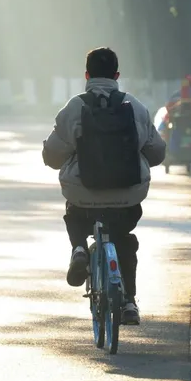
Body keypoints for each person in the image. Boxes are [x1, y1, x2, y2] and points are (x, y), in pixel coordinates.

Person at [42, 47, 167, 325]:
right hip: (127, 197)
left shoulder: (74, 107)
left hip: (83, 195)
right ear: (117, 76)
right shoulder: (135, 107)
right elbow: (157, 152)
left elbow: (53, 155)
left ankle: (78, 249)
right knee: (124, 239)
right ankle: (129, 302)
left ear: (87, 75)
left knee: (75, 214)